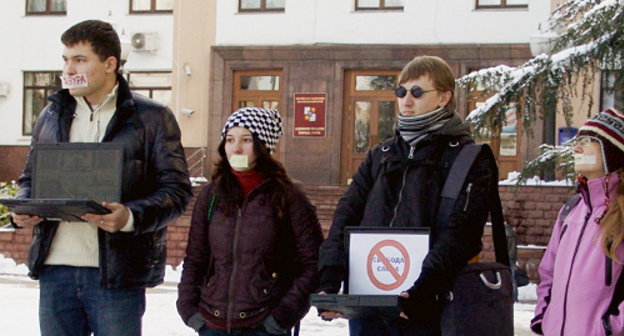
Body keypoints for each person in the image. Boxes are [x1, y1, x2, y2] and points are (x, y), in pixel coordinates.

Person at [11, 20, 192, 336]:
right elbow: (29, 178)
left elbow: (176, 192)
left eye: (80, 60)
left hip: (116, 273)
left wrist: (130, 217)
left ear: (110, 64)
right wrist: (24, 207)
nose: (69, 69)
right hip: (55, 270)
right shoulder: (50, 116)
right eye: (66, 60)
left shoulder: (151, 118)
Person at [317, 55, 499, 336]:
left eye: (417, 92)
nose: (406, 101)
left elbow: (462, 233)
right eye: (401, 92)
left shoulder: (468, 158)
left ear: (443, 98)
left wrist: (424, 289)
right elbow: (346, 214)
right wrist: (330, 279)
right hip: (369, 307)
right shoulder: (382, 155)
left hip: (430, 307)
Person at [177, 107, 324, 336]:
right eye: (230, 139)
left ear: (263, 145)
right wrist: (188, 310)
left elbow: (311, 262)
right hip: (211, 322)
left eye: (246, 140)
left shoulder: (289, 196)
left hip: (263, 324)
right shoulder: (211, 194)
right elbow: (196, 257)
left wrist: (282, 316)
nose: (236, 148)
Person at [531, 108, 624, 336]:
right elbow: (548, 273)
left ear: (611, 151)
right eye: (578, 140)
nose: (576, 148)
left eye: (588, 141)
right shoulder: (571, 210)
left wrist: (610, 328)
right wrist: (544, 316)